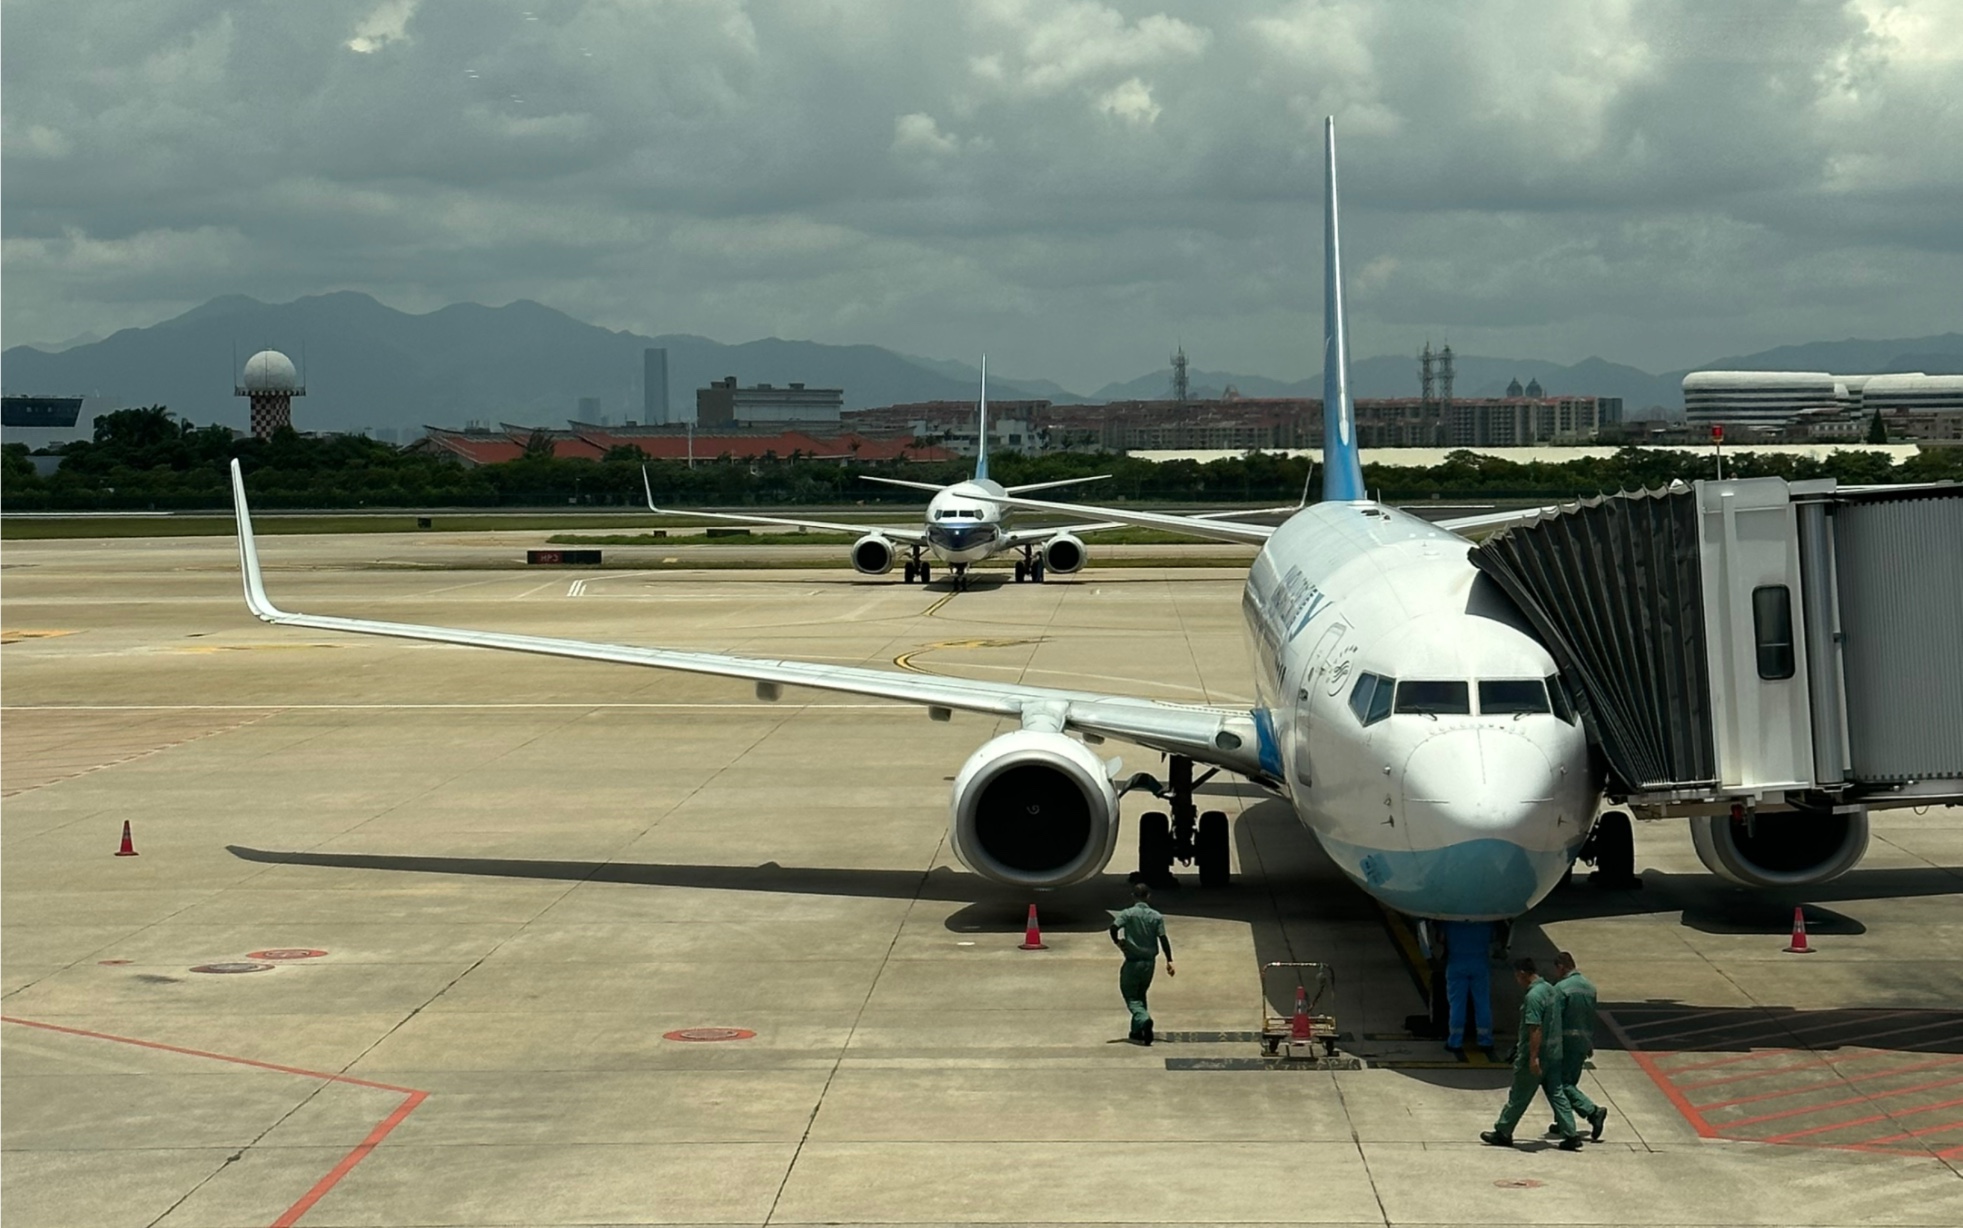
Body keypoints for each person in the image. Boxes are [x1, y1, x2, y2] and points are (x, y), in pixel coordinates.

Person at [1481, 958, 1582, 1150]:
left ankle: (1503, 1131)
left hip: (1538, 1055)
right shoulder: (1550, 989)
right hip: (1554, 1054)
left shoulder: (1533, 996)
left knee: (1519, 1094)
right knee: (1557, 1092)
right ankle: (1571, 1134)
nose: (1517, 980)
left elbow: (1535, 1029)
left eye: (1517, 976)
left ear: (1522, 973)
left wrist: (1533, 1057)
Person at [1548, 951, 1609, 1142]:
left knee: (1560, 1084)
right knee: (1570, 1082)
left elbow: (1555, 1019)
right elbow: (1590, 1017)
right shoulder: (1589, 987)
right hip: (1583, 1042)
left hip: (1566, 1043)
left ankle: (1592, 1111)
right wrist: (1588, 1042)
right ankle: (1561, 1122)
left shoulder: (1561, 988)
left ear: (1561, 967)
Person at [1109, 881, 1174, 1045]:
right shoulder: (1156, 916)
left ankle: (1144, 1019)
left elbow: (1113, 928)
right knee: (1141, 994)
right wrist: (1169, 960)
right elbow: (1163, 939)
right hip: (1149, 963)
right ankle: (1136, 1032)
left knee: (1131, 996)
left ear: (1133, 896)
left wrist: (1118, 942)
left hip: (1133, 961)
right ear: (1148, 897)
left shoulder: (1128, 914)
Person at [1438, 919, 1495, 1056]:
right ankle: (1485, 1040)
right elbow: (1493, 937)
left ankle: (1455, 1041)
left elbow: (1440, 938)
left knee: (1457, 1005)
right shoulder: (1486, 921)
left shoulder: (1450, 921)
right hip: (1479, 963)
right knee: (1482, 1003)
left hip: (1457, 962)